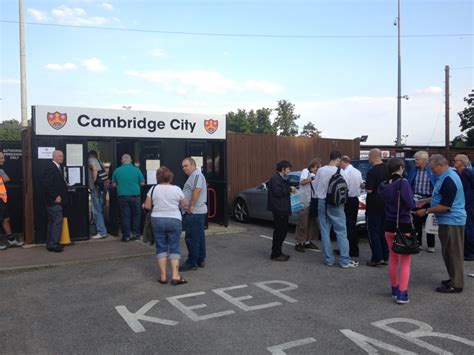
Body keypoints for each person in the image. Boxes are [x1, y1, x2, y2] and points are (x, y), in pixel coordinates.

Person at [415, 154, 466, 294]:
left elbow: (445, 206)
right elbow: (440, 196)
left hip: (452, 221)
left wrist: (425, 211)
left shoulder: (449, 179)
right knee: (448, 252)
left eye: (433, 168)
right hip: (449, 220)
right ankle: (453, 278)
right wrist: (426, 200)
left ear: (440, 165)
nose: (432, 171)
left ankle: (456, 284)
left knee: (453, 253)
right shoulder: (446, 175)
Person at [379, 158, 416, 304]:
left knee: (393, 258)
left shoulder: (384, 185)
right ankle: (402, 292)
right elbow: (411, 204)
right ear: (401, 167)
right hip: (403, 224)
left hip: (389, 224)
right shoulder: (403, 183)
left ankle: (394, 289)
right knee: (405, 261)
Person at [313, 151, 359, 268]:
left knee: (324, 231)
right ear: (338, 159)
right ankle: (344, 260)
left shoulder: (321, 170)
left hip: (322, 201)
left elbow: (316, 186)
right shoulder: (341, 172)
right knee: (341, 231)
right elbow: (346, 188)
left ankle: (329, 260)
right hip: (336, 204)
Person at [144, 166, 187, 285]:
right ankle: (175, 275)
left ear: (158, 177)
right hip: (174, 219)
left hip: (157, 220)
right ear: (170, 177)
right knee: (174, 246)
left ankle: (163, 276)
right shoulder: (177, 189)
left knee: (161, 247)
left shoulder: (153, 189)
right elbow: (183, 204)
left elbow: (147, 206)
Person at [180, 157, 208, 271]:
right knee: (199, 236)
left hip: (194, 212)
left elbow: (197, 190)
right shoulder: (194, 175)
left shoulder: (196, 175)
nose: (184, 168)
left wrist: (191, 206)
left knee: (191, 238)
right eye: (183, 166)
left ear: (193, 165)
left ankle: (192, 263)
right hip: (197, 212)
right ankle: (200, 259)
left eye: (186, 166)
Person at [408, 151, 437, 252]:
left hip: (429, 199)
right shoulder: (414, 169)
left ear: (425, 160)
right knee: (416, 222)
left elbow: (436, 184)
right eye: (415, 159)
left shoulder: (431, 171)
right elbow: (409, 182)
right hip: (417, 198)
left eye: (417, 159)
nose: (415, 161)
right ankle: (418, 243)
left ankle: (431, 245)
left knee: (429, 222)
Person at [112, 154, 145, 242]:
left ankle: (126, 236)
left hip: (122, 196)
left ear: (122, 161)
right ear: (130, 161)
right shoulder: (136, 170)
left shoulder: (117, 170)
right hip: (135, 196)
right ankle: (136, 234)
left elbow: (114, 184)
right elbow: (142, 183)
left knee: (125, 216)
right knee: (136, 215)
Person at [267, 160, 296, 261]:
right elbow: (277, 192)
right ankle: (275, 254)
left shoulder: (281, 178)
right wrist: (289, 189)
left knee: (282, 231)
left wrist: (290, 186)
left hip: (282, 208)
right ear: (283, 169)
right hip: (279, 209)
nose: (289, 171)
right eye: (288, 169)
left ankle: (278, 252)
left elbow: (282, 188)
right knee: (280, 231)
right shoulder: (275, 178)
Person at [365, 148, 389, 267]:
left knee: (373, 231)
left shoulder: (372, 172)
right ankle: (385, 256)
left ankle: (377, 258)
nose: (368, 159)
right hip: (386, 204)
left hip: (374, 205)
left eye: (369, 157)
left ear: (373, 157)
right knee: (383, 231)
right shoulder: (388, 169)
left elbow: (369, 189)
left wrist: (364, 186)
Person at [42, 150, 68, 252]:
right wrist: (55, 196)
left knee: (53, 222)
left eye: (63, 156)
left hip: (54, 200)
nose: (62, 158)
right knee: (57, 221)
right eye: (60, 156)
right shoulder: (51, 168)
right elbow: (47, 184)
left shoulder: (56, 167)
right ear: (54, 157)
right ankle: (53, 244)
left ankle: (51, 243)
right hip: (53, 201)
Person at [294, 158, 321, 252]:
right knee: (303, 222)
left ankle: (307, 241)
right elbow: (302, 182)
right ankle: (299, 242)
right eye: (317, 168)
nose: (317, 170)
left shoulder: (317, 175)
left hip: (313, 201)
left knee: (311, 222)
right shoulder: (305, 171)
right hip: (304, 200)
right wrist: (311, 178)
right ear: (312, 166)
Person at [339, 155, 363, 258]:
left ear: (343, 162)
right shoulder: (357, 171)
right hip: (355, 200)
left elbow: (344, 188)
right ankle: (353, 248)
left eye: (340, 163)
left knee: (347, 227)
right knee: (352, 225)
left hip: (347, 200)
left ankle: (349, 250)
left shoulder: (344, 173)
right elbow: (361, 185)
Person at [0, 151, 24, 250]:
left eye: (3, 158)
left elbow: (7, 179)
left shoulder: (1, 170)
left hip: (2, 199)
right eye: (1, 158)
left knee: (5, 219)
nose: (3, 160)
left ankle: (11, 239)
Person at [453, 154, 474, 261]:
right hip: (462, 204)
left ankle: (470, 252)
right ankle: (465, 250)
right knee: (464, 229)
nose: (454, 162)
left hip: (469, 204)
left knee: (470, 229)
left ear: (461, 162)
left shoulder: (468, 173)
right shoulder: (457, 173)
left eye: (455, 160)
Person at [88, 150, 108, 239]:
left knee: (96, 210)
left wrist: (95, 181)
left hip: (95, 189)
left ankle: (102, 232)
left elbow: (94, 169)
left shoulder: (91, 160)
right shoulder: (99, 161)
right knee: (99, 209)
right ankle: (101, 229)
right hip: (101, 189)